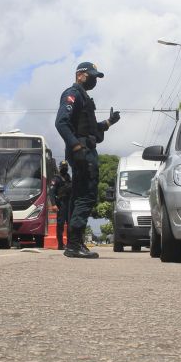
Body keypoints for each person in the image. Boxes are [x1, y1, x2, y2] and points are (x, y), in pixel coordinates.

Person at [55, 61, 120, 259]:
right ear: (80, 75)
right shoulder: (72, 94)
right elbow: (61, 123)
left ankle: (75, 242)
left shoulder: (84, 98)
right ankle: (74, 244)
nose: (94, 80)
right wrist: (76, 147)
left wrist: (109, 122)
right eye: (91, 76)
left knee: (79, 195)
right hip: (82, 152)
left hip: (86, 149)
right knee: (86, 195)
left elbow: (90, 130)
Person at [50, 160, 72, 250]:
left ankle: (70, 244)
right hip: (61, 203)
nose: (64, 168)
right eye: (63, 167)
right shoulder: (56, 178)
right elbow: (51, 192)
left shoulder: (68, 177)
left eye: (66, 167)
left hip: (69, 203)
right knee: (60, 224)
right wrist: (53, 204)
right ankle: (60, 244)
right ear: (59, 167)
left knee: (70, 224)